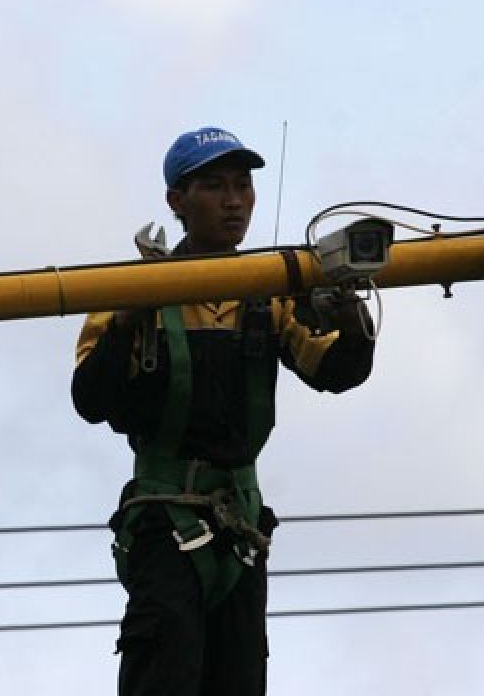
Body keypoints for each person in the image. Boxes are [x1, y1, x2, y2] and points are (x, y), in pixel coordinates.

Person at [72, 126, 375, 695]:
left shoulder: (268, 292)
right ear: (177, 202)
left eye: (242, 186)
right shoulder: (127, 291)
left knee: (240, 680)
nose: (234, 201)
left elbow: (333, 371)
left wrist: (351, 316)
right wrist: (134, 316)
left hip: (240, 522)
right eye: (214, 186)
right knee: (162, 672)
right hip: (164, 521)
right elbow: (91, 399)